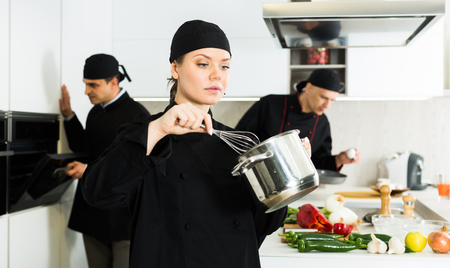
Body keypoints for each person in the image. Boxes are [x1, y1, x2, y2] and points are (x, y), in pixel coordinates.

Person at [79, 20, 309, 268]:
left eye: (225, 66)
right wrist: (159, 129)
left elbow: (264, 225)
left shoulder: (240, 145)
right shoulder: (146, 134)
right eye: (203, 63)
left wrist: (286, 177)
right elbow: (97, 193)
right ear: (175, 68)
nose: (216, 74)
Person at [59, 53, 150, 268]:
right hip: (93, 215)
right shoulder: (95, 113)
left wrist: (89, 169)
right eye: (85, 84)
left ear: (114, 82)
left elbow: (135, 167)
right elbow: (84, 149)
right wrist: (69, 116)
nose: (86, 91)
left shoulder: (137, 115)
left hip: (122, 220)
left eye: (93, 85)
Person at [236, 68, 361, 172]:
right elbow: (240, 138)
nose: (327, 105)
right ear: (309, 88)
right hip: (255, 177)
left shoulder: (322, 123)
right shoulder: (270, 104)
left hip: (293, 187)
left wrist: (339, 159)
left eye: (332, 100)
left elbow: (317, 163)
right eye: (324, 97)